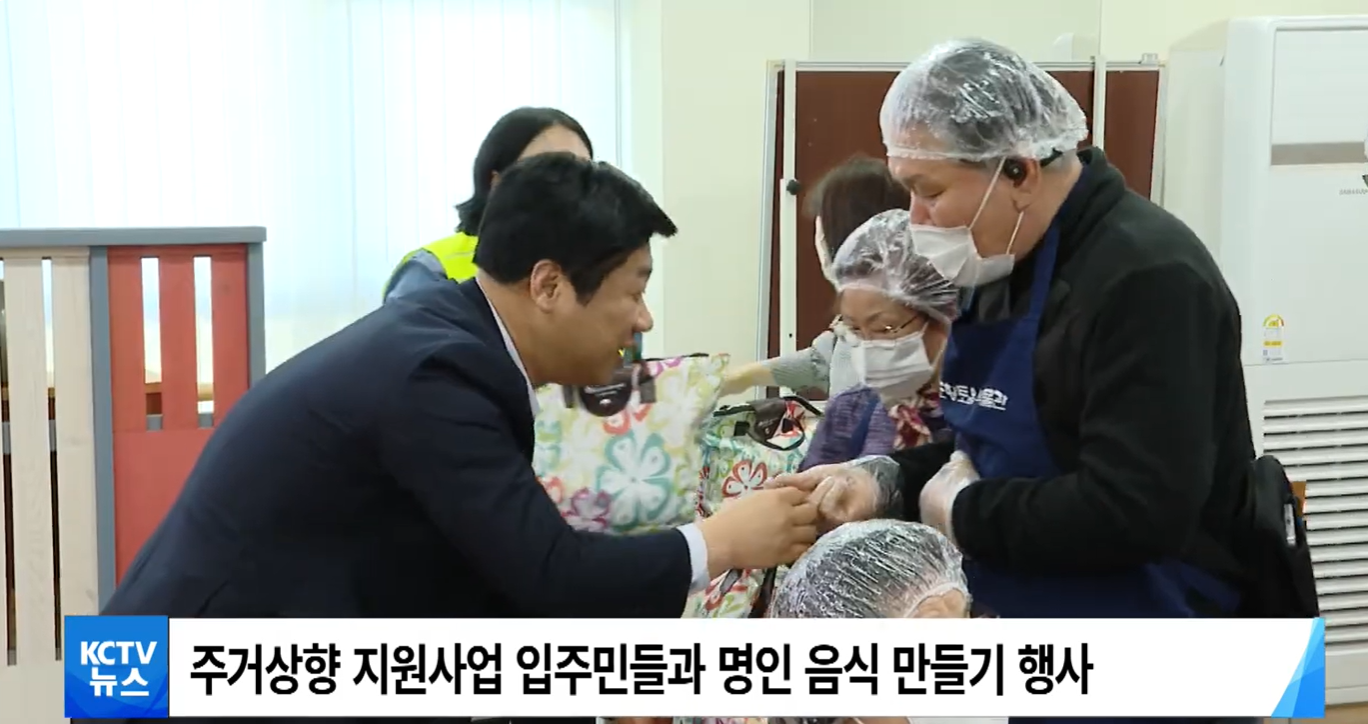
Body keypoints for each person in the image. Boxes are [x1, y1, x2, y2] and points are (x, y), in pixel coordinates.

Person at [92, 154, 818, 724]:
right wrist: (718, 542)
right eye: (633, 290)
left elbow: (495, 571)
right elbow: (550, 573)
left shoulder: (452, 341)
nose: (644, 320)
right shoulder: (437, 374)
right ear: (548, 285)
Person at [769, 38, 1259, 724]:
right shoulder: (999, 261)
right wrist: (888, 480)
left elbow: (1136, 508)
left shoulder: (1148, 280)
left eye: (930, 192)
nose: (915, 220)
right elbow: (991, 443)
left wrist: (967, 514)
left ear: (1020, 171)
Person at [720, 156, 910, 398]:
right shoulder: (872, 315)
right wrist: (743, 377)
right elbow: (822, 360)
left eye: (822, 233)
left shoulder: (895, 332)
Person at [797, 209, 958, 473]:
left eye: (885, 329)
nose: (869, 347)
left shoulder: (981, 414)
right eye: (855, 330)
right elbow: (806, 491)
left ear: (941, 317)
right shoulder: (849, 411)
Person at [383, 106, 593, 301]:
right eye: (551, 171)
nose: (571, 187)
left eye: (585, 173)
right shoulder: (431, 269)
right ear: (497, 183)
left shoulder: (596, 268)